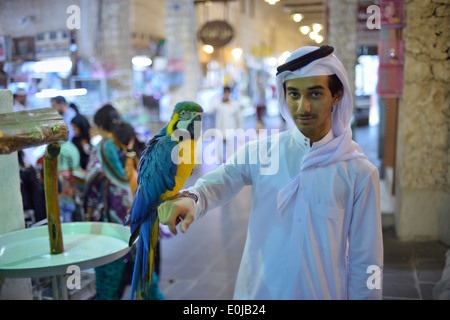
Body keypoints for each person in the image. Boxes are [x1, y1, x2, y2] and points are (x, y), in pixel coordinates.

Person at [158, 45, 383, 300]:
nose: (303, 107)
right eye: (294, 94)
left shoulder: (358, 173)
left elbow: (367, 260)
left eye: (315, 94)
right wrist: (192, 198)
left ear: (337, 95)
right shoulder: (261, 152)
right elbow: (221, 179)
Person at [209, 86, 244, 163]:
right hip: (220, 130)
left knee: (230, 151)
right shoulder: (218, 103)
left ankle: (229, 166)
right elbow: (210, 110)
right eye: (225, 92)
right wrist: (217, 99)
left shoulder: (234, 104)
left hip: (230, 130)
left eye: (228, 92)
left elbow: (239, 119)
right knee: (219, 151)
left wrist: (240, 132)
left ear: (230, 93)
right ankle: (220, 166)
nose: (226, 94)